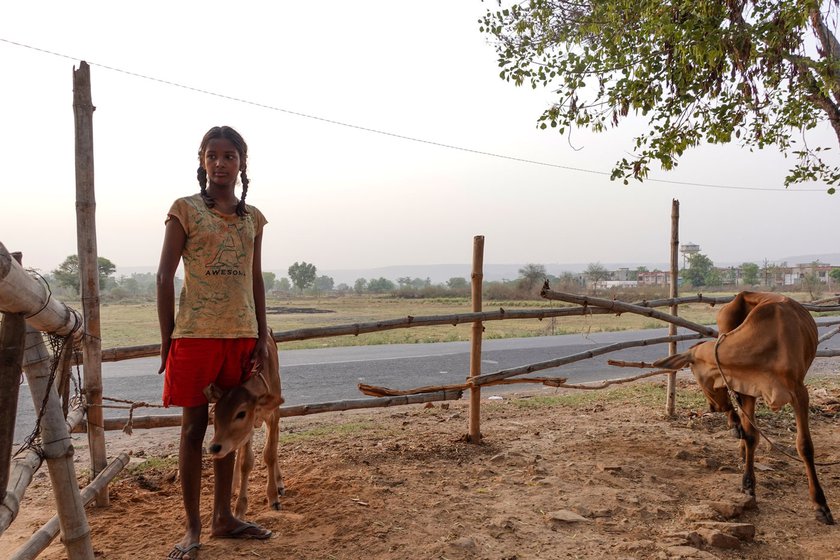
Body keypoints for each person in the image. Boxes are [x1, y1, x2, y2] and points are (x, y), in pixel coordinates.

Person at [157, 125, 273, 560]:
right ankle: (192, 528)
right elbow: (164, 276)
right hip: (195, 336)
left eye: (230, 156)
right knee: (193, 430)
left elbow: (254, 279)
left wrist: (262, 335)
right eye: (213, 155)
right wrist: (166, 338)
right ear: (202, 161)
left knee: (229, 426)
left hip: (241, 336)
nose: (221, 163)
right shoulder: (184, 210)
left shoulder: (252, 218)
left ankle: (223, 517)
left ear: (242, 163)